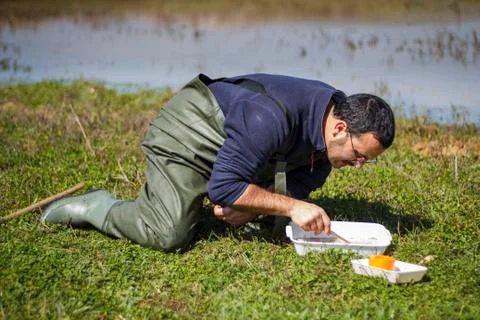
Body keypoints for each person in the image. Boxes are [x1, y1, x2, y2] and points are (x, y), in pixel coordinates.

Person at [41, 73, 395, 251]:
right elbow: (224, 188)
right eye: (359, 155)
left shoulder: (328, 132)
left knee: (262, 219)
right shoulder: (271, 118)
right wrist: (289, 206)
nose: (359, 165)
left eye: (367, 160)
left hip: (240, 142)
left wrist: (255, 208)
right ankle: (98, 206)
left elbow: (301, 182)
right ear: (340, 127)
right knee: (170, 235)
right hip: (189, 135)